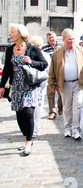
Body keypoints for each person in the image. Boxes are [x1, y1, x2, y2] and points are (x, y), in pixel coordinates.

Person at [0, 24, 48, 156]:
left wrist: (31, 62)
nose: (10, 34)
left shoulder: (32, 48)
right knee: (19, 115)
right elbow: (6, 70)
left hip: (30, 86)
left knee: (28, 112)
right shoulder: (10, 50)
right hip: (16, 86)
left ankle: (28, 141)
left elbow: (44, 64)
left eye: (12, 32)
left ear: (20, 34)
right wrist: (2, 86)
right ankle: (26, 137)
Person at [48, 28, 83, 140]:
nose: (71, 41)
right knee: (67, 107)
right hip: (64, 84)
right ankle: (67, 128)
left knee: (77, 106)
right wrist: (52, 83)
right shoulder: (57, 53)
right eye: (69, 39)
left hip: (78, 83)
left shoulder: (81, 51)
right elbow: (52, 70)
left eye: (73, 39)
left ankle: (76, 130)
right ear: (64, 39)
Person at [29, 36, 51, 138]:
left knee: (38, 106)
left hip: (41, 84)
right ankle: (30, 126)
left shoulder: (45, 56)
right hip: (29, 84)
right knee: (29, 107)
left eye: (38, 45)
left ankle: (36, 126)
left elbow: (49, 70)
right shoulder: (28, 54)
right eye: (34, 45)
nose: (36, 48)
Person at [42, 31, 63, 120]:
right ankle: (52, 112)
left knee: (61, 92)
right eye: (49, 38)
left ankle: (60, 108)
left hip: (59, 72)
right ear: (47, 39)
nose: (51, 39)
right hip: (49, 73)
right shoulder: (44, 49)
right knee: (50, 93)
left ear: (55, 38)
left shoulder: (61, 47)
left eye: (52, 37)